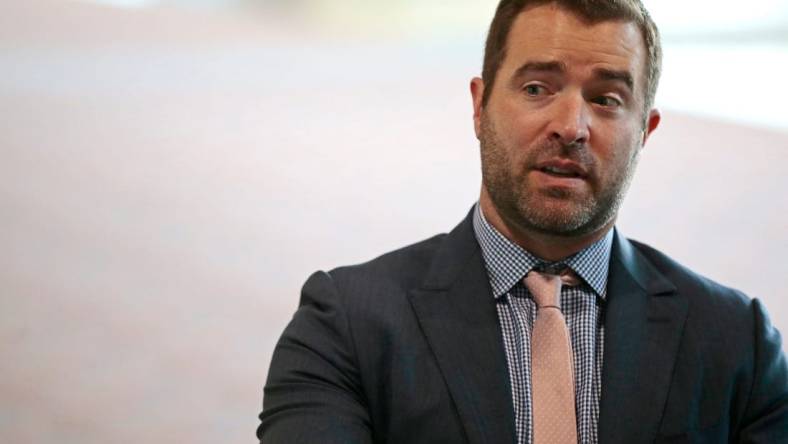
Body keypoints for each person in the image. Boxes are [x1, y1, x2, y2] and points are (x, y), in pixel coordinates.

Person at [257, 1, 788, 443]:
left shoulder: (737, 343)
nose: (570, 126)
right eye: (537, 88)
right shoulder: (345, 326)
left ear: (645, 131)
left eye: (606, 100)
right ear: (480, 105)